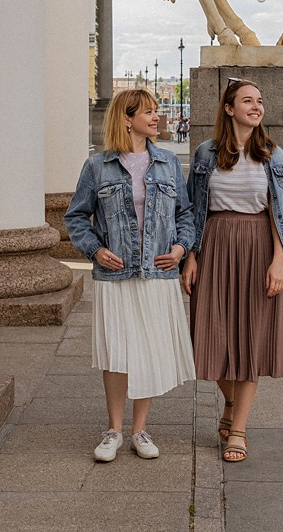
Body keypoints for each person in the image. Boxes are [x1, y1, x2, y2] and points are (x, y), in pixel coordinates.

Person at [65, 88, 196, 463]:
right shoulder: (97, 167)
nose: (157, 117)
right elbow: (76, 216)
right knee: (117, 351)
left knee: (150, 350)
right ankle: (114, 430)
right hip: (115, 274)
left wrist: (179, 248)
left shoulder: (169, 163)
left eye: (157, 111)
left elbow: (185, 214)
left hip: (158, 272)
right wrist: (95, 250)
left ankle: (140, 430)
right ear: (126, 118)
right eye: (148, 112)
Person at [181, 78, 283, 463]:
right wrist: (191, 255)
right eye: (247, 101)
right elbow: (191, 209)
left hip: (258, 248)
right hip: (214, 244)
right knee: (208, 337)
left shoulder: (273, 155)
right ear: (229, 109)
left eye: (260, 101)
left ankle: (238, 430)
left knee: (250, 339)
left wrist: (280, 260)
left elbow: (282, 213)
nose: (256, 106)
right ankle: (232, 402)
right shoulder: (205, 153)